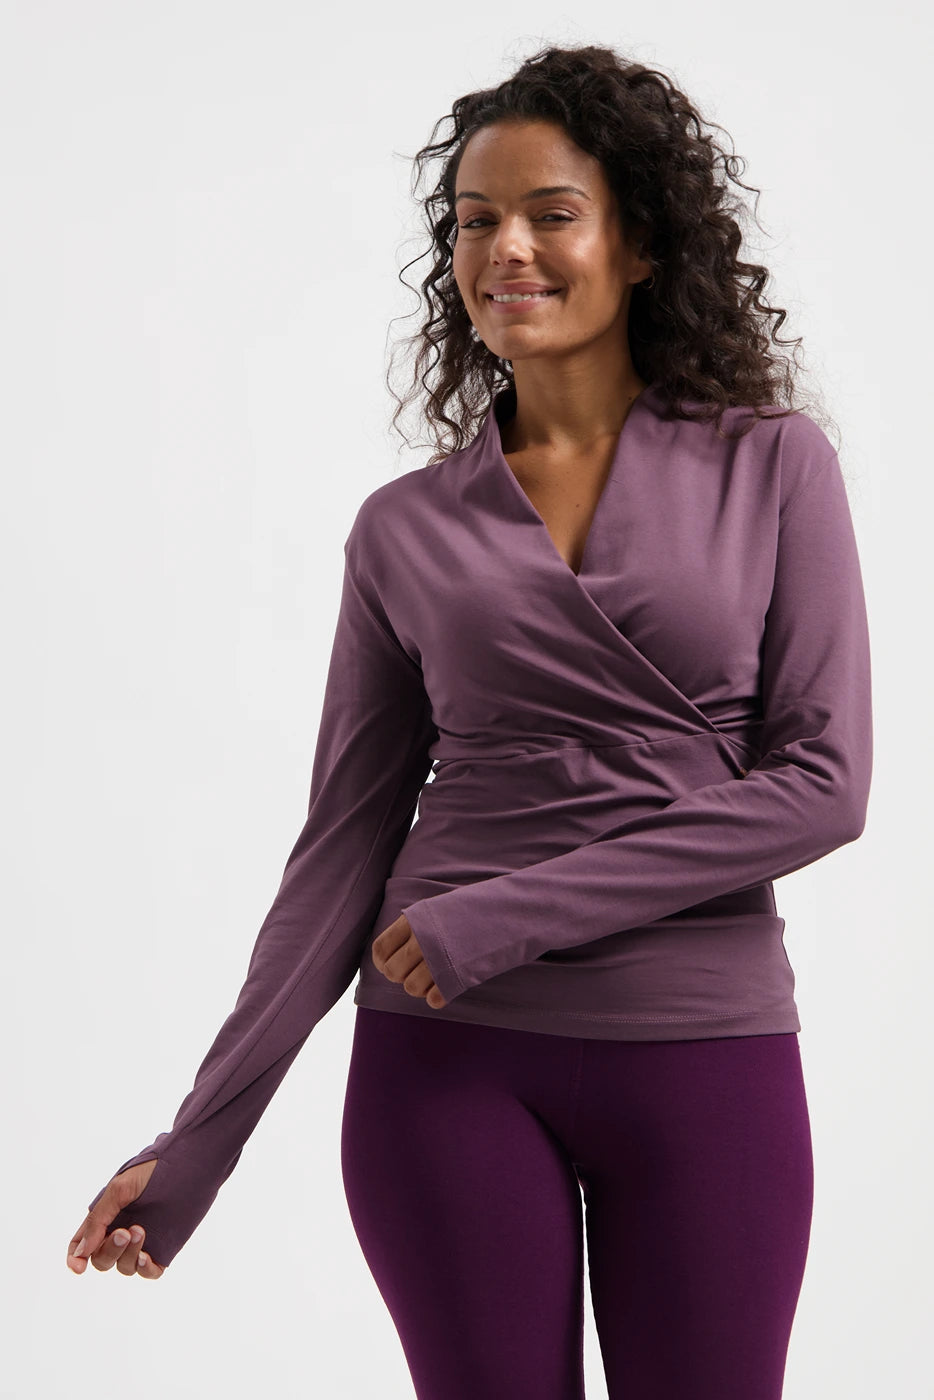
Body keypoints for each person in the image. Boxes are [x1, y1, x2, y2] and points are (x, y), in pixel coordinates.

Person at [66, 43, 873, 1400]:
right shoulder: (402, 529)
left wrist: (503, 915)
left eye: (552, 214)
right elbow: (339, 854)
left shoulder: (773, 464)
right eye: (475, 219)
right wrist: (199, 1142)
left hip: (701, 1046)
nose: (506, 249)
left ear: (640, 244)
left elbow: (823, 784)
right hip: (443, 1065)